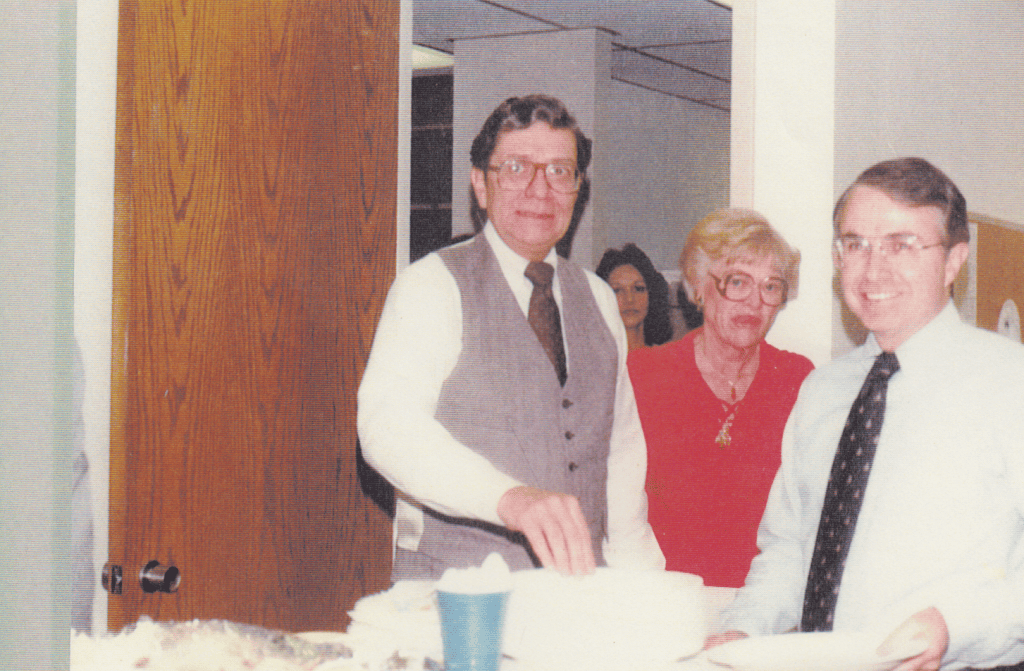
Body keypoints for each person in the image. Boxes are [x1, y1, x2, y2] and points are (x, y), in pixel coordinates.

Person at [708, 158, 1024, 671]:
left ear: (953, 261)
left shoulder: (1010, 384)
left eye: (903, 245)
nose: (874, 270)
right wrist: (745, 628)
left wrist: (955, 625)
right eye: (855, 245)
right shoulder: (821, 391)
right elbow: (790, 547)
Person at [358, 94, 664, 581]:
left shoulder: (601, 298)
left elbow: (622, 456)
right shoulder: (431, 286)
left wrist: (642, 585)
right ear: (480, 185)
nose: (541, 190)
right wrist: (508, 499)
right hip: (456, 596)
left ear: (578, 189)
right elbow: (387, 427)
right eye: (518, 167)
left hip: (578, 599)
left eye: (560, 172)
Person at [627, 208, 814, 587]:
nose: (754, 303)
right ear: (698, 286)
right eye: (738, 282)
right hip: (666, 599)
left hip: (766, 605)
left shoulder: (797, 380)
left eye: (771, 287)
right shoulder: (645, 375)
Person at [595, 243, 673, 351]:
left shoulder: (668, 360)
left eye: (638, 288)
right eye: (617, 290)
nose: (629, 299)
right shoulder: (591, 362)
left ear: (652, 295)